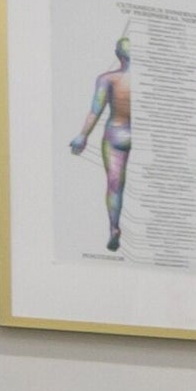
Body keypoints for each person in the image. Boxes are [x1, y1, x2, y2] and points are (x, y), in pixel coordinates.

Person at [67, 38, 135, 251]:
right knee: (117, 183)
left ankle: (114, 227)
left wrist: (83, 135)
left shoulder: (108, 79)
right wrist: (83, 135)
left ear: (118, 55)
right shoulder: (148, 82)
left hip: (117, 133)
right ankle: (114, 228)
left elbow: (96, 110)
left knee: (115, 184)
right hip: (127, 134)